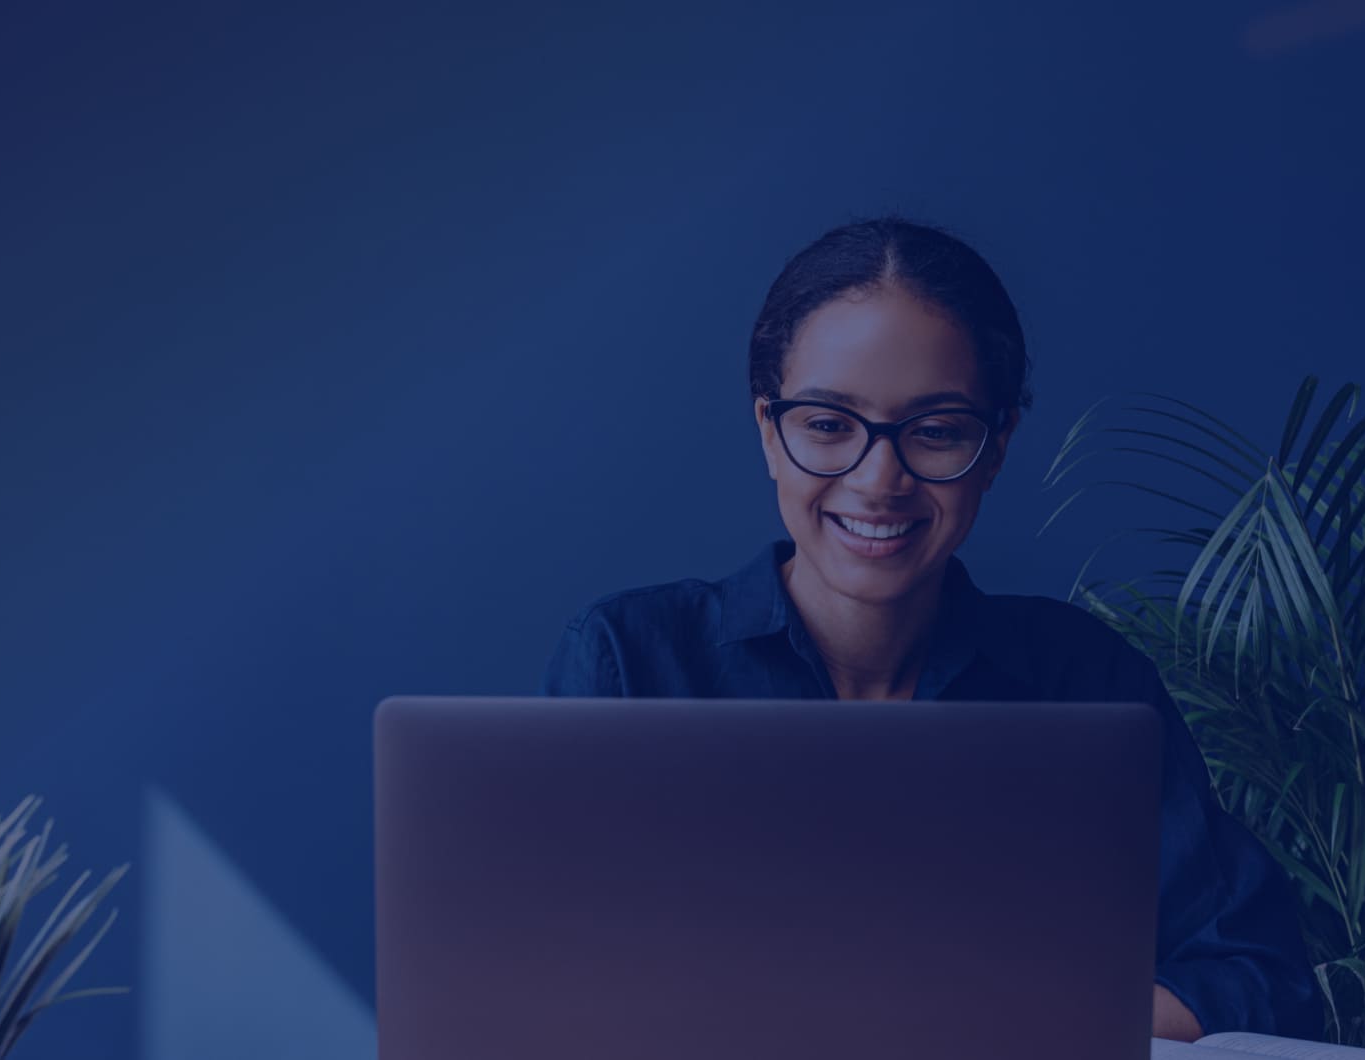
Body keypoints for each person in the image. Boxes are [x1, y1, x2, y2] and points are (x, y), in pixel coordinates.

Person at [542, 216, 1324, 1042]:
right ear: (770, 432)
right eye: (828, 425)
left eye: (938, 430)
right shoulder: (632, 662)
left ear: (996, 447)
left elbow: (1255, 976)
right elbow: (539, 983)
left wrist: (996, 1031)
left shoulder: (1086, 684)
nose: (879, 479)